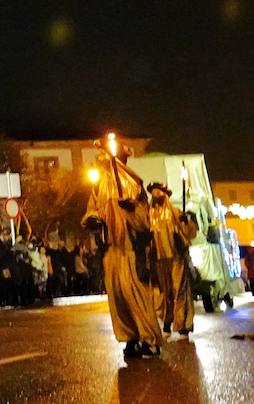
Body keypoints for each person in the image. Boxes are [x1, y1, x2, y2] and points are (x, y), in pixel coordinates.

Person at [83, 140, 164, 360]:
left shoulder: (134, 184)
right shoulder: (99, 187)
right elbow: (92, 210)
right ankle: (130, 338)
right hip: (110, 250)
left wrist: (131, 210)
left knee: (136, 295)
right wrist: (93, 220)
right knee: (118, 297)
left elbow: (145, 222)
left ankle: (151, 339)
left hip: (130, 249)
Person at [146, 181, 195, 336]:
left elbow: (189, 233)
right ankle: (166, 324)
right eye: (153, 193)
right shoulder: (148, 214)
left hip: (176, 257)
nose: (156, 195)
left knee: (179, 290)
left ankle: (182, 325)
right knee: (164, 293)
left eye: (159, 192)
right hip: (159, 259)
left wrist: (186, 222)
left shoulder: (175, 212)